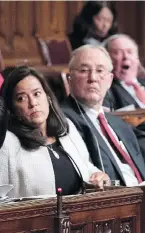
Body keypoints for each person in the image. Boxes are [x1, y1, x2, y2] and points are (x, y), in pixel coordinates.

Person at [0, 66, 109, 198]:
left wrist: (98, 176)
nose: (33, 103)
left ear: (48, 97)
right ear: (11, 108)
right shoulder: (3, 143)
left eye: (36, 94)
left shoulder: (66, 129)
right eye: (21, 98)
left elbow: (86, 166)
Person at [61, 45, 145, 186]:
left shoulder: (118, 123)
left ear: (110, 80)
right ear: (70, 79)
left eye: (100, 71)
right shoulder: (62, 120)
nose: (93, 78)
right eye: (84, 70)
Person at [102, 34, 145, 110]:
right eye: (118, 52)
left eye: (130, 52)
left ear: (137, 58)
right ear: (107, 59)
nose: (126, 57)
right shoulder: (106, 91)